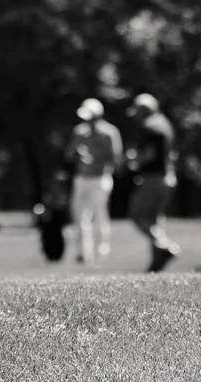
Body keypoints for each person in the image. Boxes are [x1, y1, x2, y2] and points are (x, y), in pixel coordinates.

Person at [65, 98, 123, 266]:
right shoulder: (79, 132)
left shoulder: (109, 133)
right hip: (81, 178)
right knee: (79, 217)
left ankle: (100, 253)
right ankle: (82, 253)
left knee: (100, 216)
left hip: (100, 178)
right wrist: (77, 150)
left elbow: (115, 160)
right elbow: (69, 155)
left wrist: (95, 158)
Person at [127, 93, 180, 273]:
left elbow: (148, 154)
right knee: (154, 220)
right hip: (168, 177)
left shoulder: (148, 126)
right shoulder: (166, 124)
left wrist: (133, 161)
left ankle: (165, 246)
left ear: (144, 111)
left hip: (153, 178)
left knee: (138, 216)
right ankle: (156, 264)